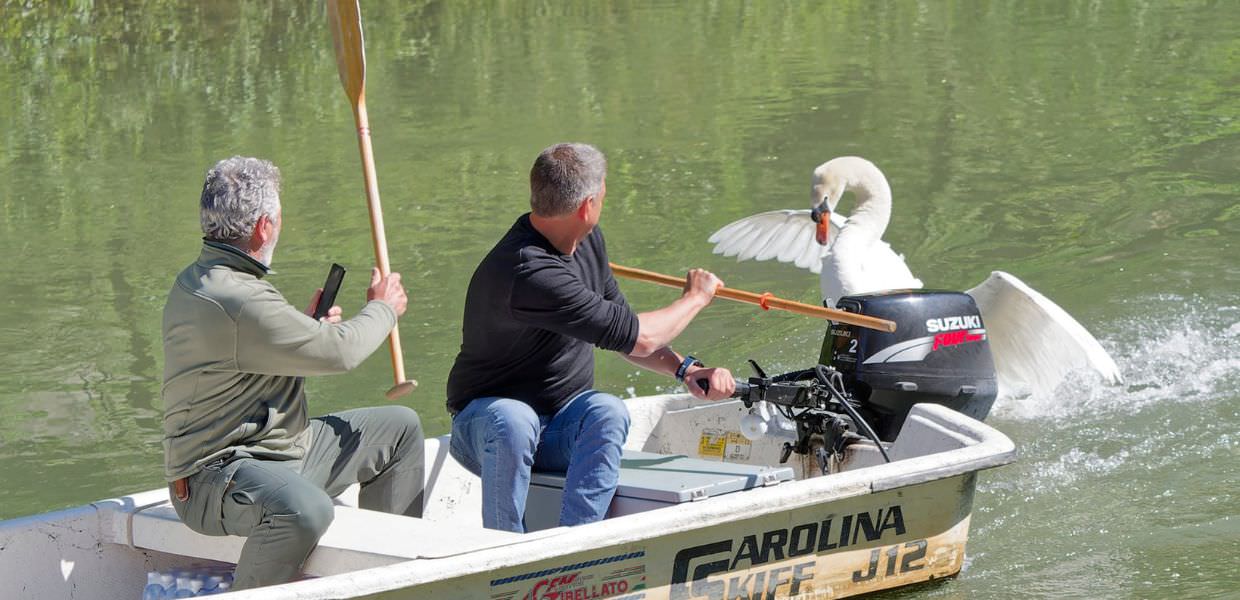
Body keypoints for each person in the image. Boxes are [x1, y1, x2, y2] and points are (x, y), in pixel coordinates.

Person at [161, 156, 425, 590]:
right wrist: (384, 307)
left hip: (283, 450)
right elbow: (341, 354)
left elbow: (248, 356)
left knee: (399, 429)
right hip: (214, 477)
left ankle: (390, 585)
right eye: (279, 216)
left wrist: (307, 329)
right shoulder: (236, 296)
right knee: (306, 508)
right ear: (264, 227)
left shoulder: (214, 279)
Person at [446, 142, 736, 533]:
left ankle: (581, 546)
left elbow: (623, 335)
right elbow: (643, 337)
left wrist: (686, 370)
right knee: (514, 419)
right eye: (603, 194)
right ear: (587, 205)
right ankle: (502, 552)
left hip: (559, 428)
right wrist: (696, 298)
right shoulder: (529, 272)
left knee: (608, 410)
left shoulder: (586, 242)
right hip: (487, 432)